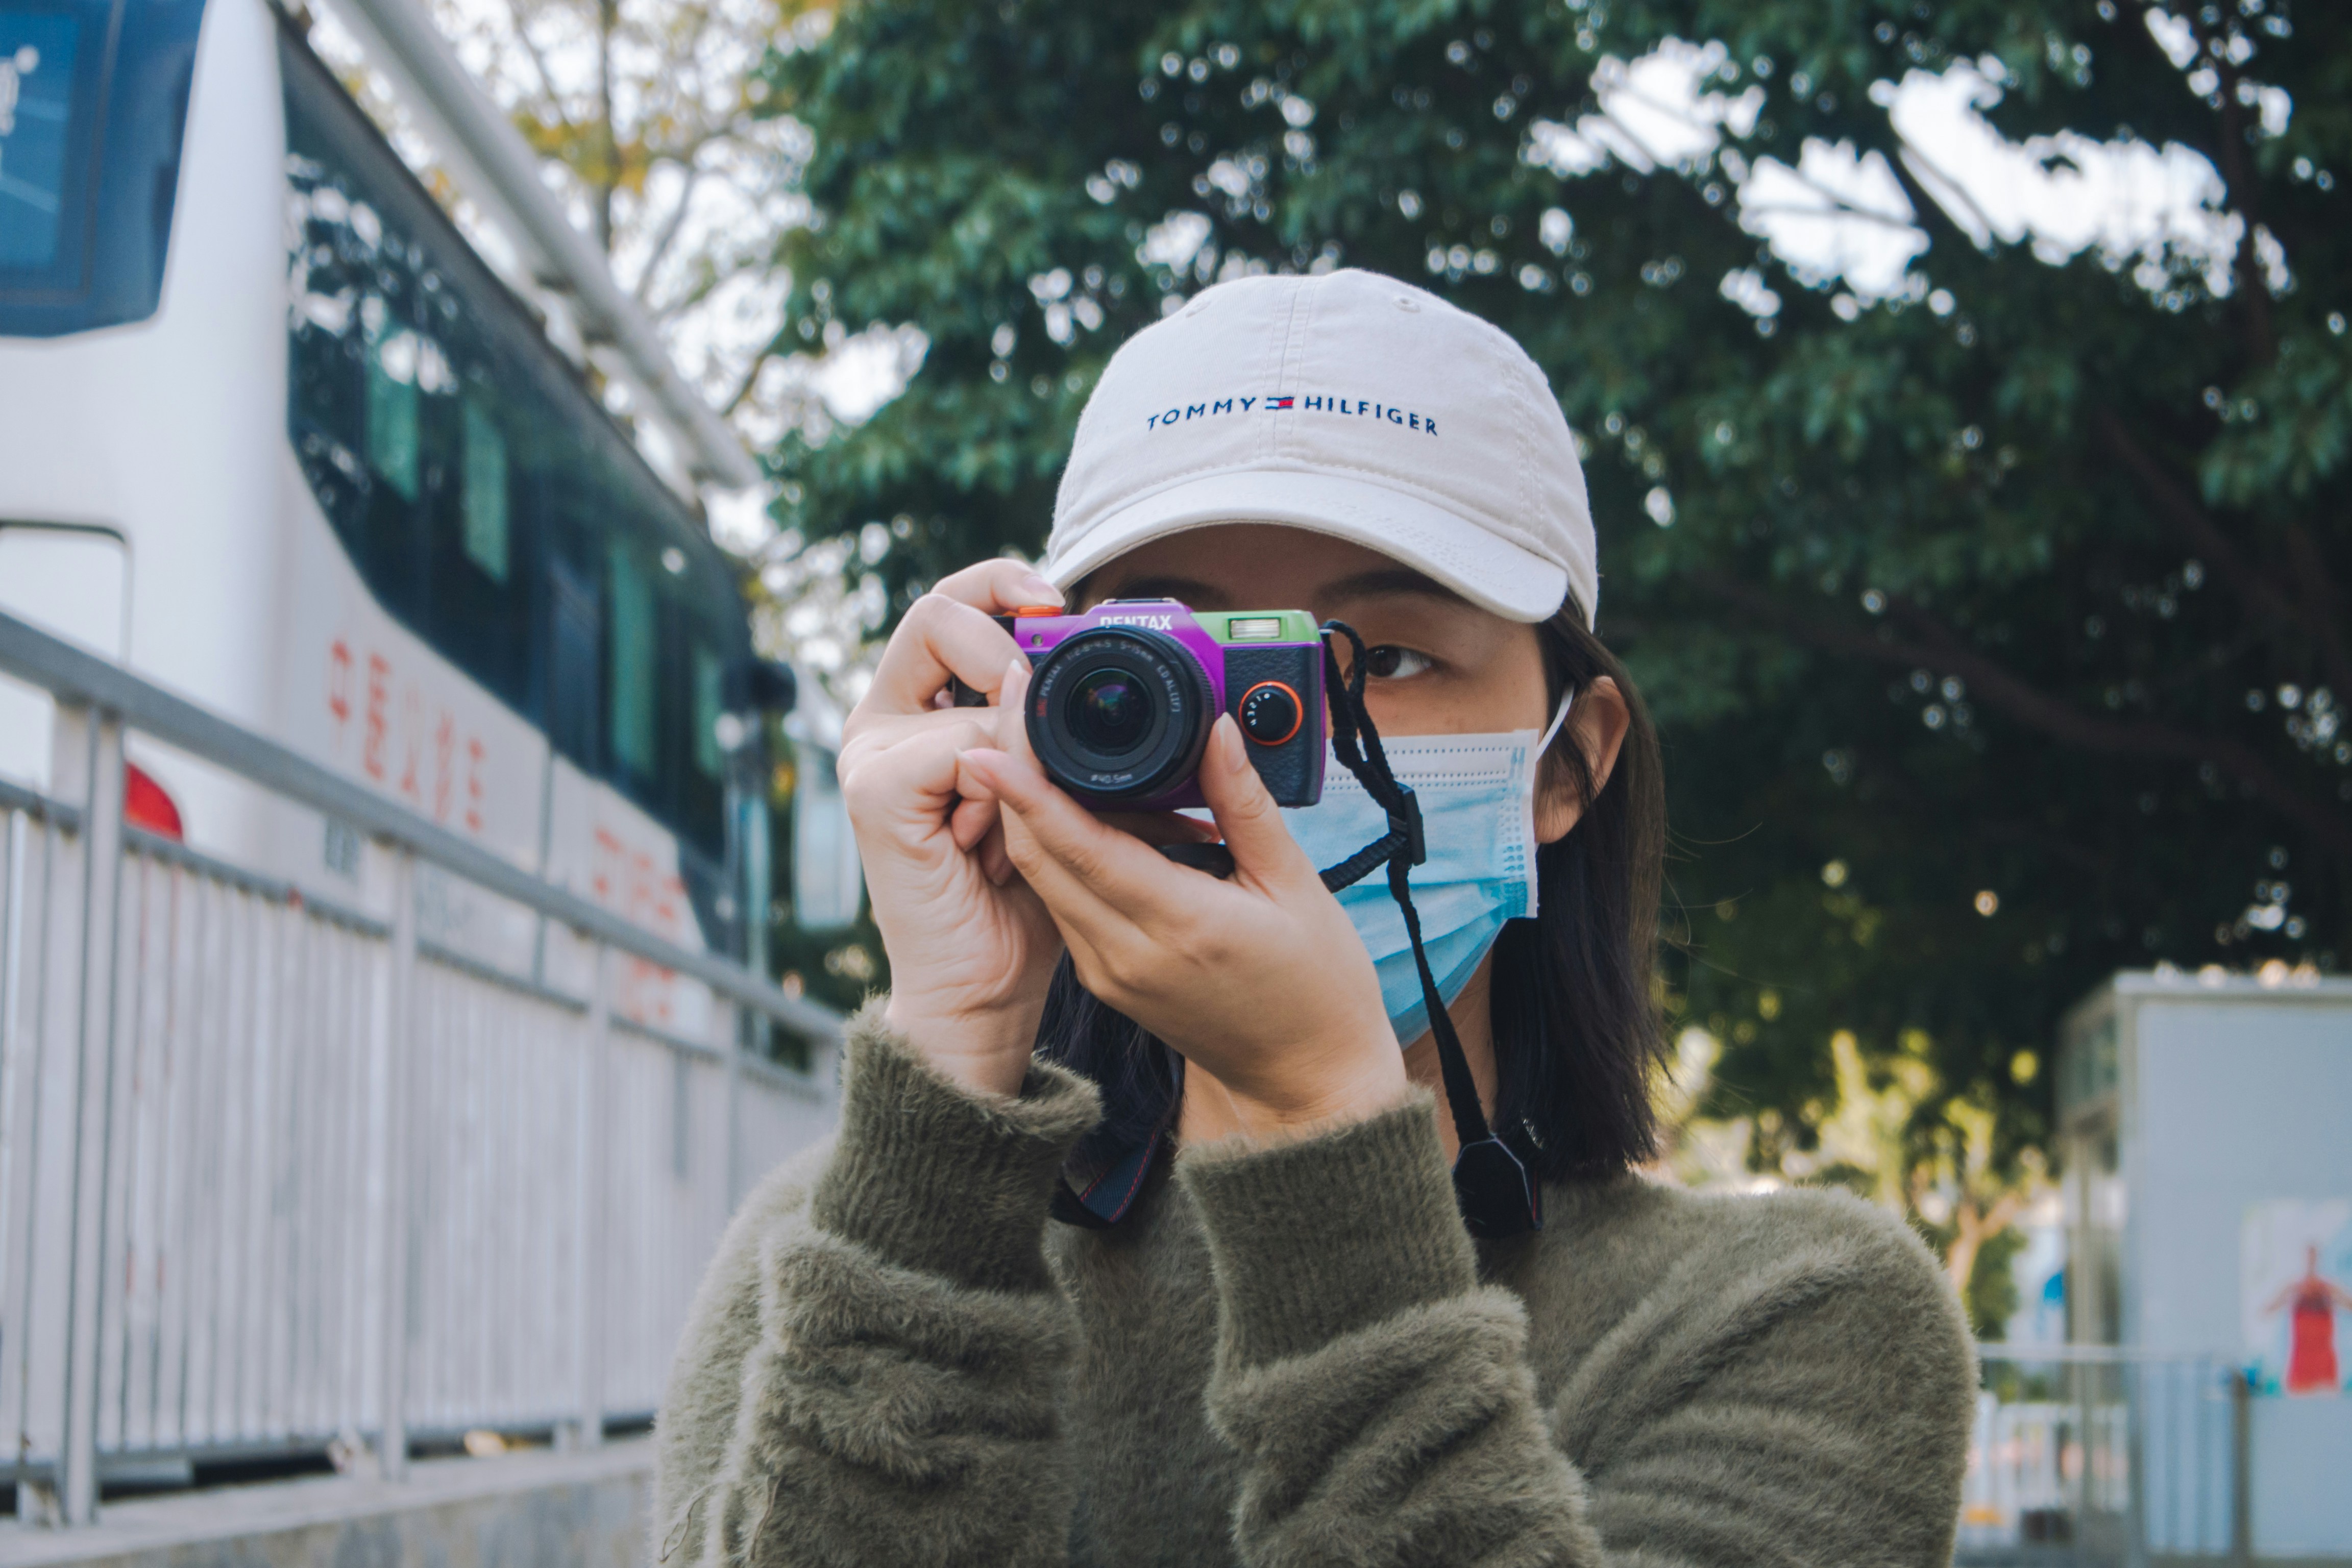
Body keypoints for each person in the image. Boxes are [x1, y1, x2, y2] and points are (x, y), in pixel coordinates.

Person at [654, 270, 1977, 1566]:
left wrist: (1317, 1131)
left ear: (1568, 761)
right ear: (1031, 692)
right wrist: (954, 1065)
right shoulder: (847, 1259)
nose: (1272, 743)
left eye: (1385, 660)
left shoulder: (1792, 1317)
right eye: (1180, 657)